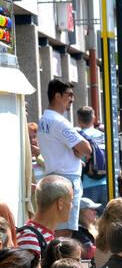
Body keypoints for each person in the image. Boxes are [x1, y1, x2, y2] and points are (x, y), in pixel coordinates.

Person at [38, 79, 91, 234]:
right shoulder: (59, 121)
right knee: (65, 233)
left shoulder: (44, 119)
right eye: (69, 95)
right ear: (57, 96)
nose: (72, 99)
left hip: (52, 178)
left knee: (54, 230)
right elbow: (87, 148)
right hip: (66, 180)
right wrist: (78, 150)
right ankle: (63, 259)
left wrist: (76, 149)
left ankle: (54, 258)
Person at [17, 175, 73, 257]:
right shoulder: (30, 238)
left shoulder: (42, 235)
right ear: (60, 203)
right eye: (71, 201)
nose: (72, 206)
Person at [76, 106, 108, 207]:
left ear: (79, 120)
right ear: (93, 118)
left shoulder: (79, 137)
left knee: (89, 221)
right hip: (106, 182)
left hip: (88, 183)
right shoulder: (103, 135)